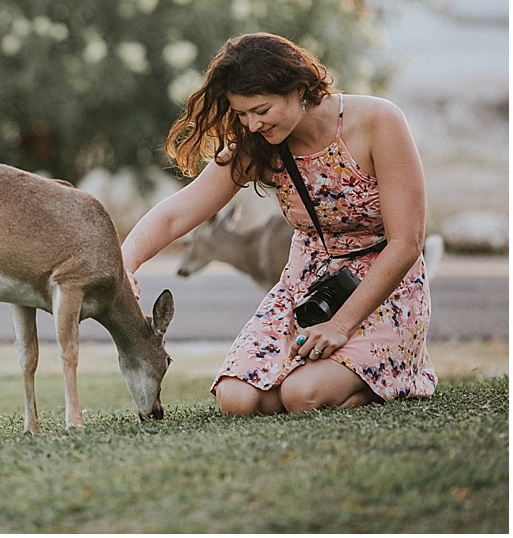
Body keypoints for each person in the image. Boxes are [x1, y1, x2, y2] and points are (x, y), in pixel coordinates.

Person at [122, 32, 437, 415]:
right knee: (236, 400)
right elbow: (178, 212)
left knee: (301, 396)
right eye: (241, 114)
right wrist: (124, 263)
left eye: (261, 110)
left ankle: (402, 373)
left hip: (383, 287)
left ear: (299, 89)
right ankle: (328, 377)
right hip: (306, 286)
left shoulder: (379, 121)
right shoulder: (259, 145)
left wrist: (339, 327)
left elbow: (407, 242)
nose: (251, 125)